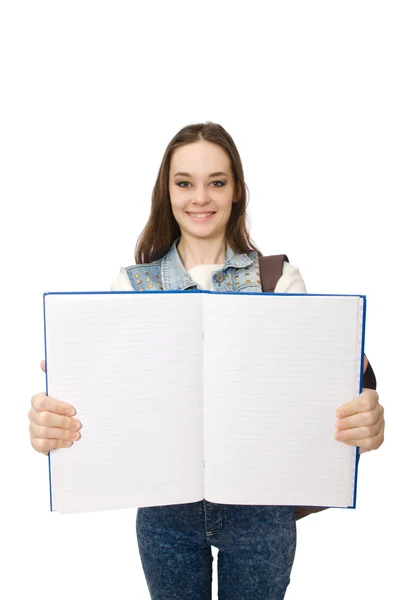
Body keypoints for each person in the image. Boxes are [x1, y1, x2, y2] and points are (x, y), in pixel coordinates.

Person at [28, 122, 385, 600]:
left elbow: (311, 397)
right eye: (184, 182)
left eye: (217, 181)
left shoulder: (279, 279)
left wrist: (362, 406)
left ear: (237, 190)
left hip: (261, 509)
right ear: (167, 192)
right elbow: (115, 411)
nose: (201, 197)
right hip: (164, 510)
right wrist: (61, 424)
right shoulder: (129, 287)